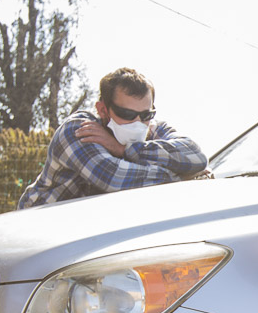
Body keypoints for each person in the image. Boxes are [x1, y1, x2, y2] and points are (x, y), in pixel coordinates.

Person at [17, 67, 208, 209]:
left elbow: (196, 156)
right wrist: (183, 178)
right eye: (126, 114)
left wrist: (123, 149)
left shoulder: (154, 128)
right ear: (103, 110)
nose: (138, 122)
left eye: (145, 115)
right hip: (36, 227)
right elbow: (114, 178)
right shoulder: (79, 129)